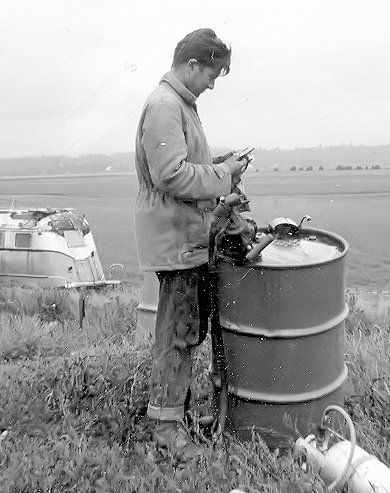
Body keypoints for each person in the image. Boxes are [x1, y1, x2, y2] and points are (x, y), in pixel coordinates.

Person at [133, 28, 247, 458]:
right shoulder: (165, 106)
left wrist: (219, 165)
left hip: (184, 234)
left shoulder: (180, 105)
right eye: (212, 74)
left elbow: (184, 167)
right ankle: (165, 433)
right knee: (178, 333)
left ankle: (168, 417)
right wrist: (225, 176)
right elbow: (172, 175)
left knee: (181, 331)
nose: (213, 84)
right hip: (175, 236)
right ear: (192, 64)